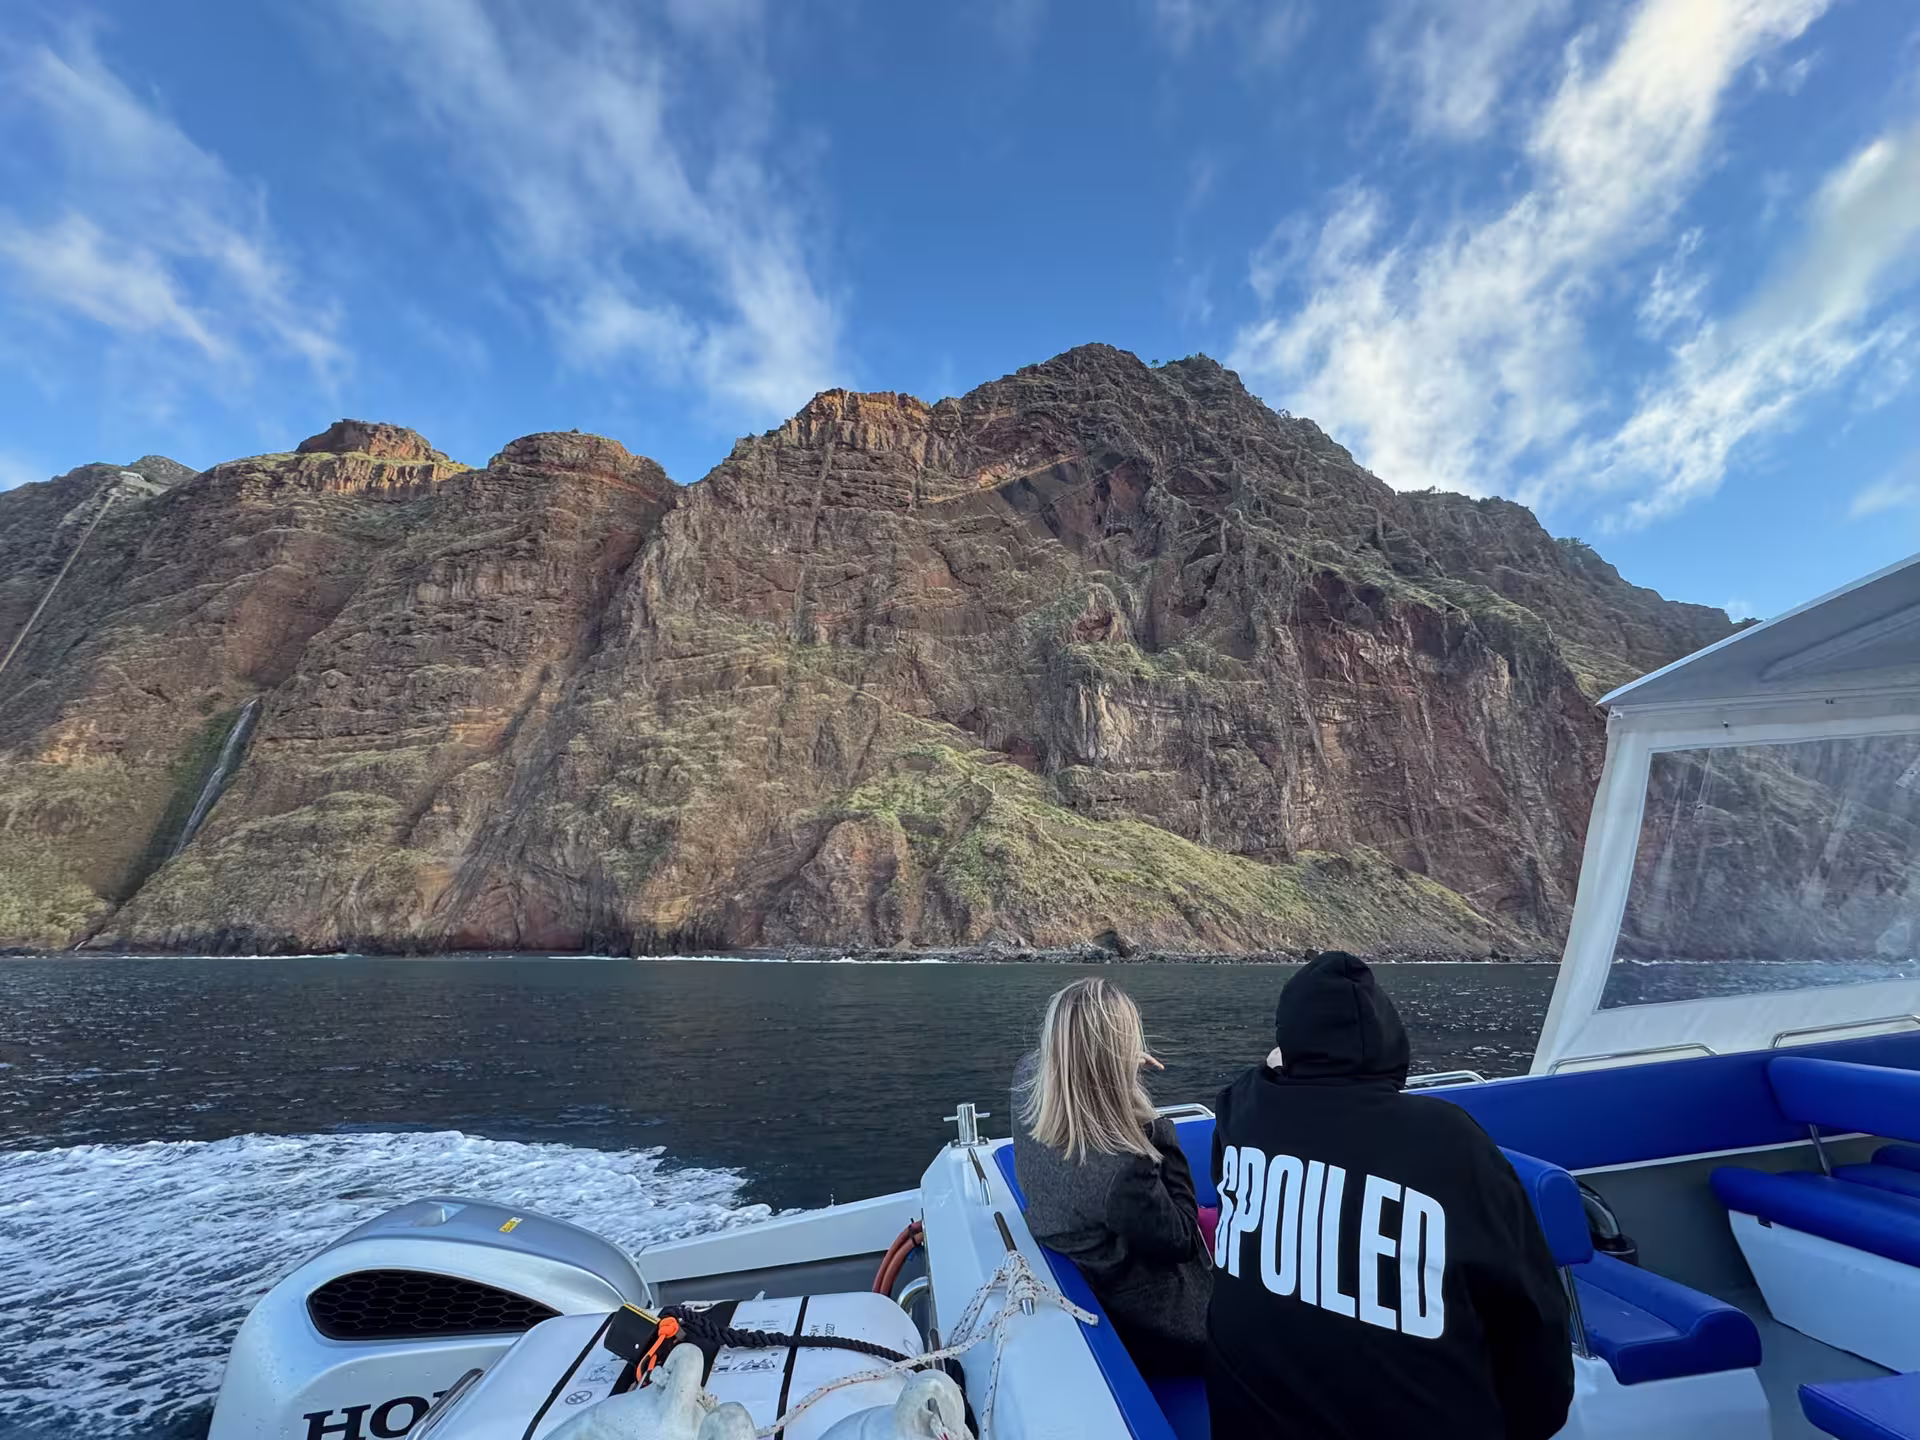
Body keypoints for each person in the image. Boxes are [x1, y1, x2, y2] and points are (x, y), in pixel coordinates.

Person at [1206, 951, 1574, 1439]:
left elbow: (1257, 1079)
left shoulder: (1242, 1112)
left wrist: (1290, 1059)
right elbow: (1531, 1321)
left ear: (1287, 1044)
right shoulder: (1448, 1141)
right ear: (1390, 1040)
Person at [1012, 977, 1214, 1373]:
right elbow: (1184, 1239)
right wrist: (1159, 1127)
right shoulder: (1121, 1170)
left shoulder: (1027, 1081)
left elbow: (1059, 1059)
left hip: (1083, 1251)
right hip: (1164, 1327)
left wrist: (1107, 1057)